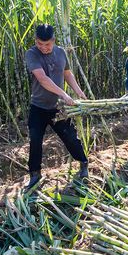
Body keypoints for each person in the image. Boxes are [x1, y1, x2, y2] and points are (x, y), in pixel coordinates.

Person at [24, 23, 89, 189]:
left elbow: (67, 73)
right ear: (35, 40)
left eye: (47, 44)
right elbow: (42, 79)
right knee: (35, 141)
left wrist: (77, 91)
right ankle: (34, 174)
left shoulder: (61, 52)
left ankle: (83, 163)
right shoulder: (32, 54)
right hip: (38, 107)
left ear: (54, 40)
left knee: (71, 138)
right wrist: (64, 94)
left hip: (58, 108)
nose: (43, 48)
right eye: (40, 44)